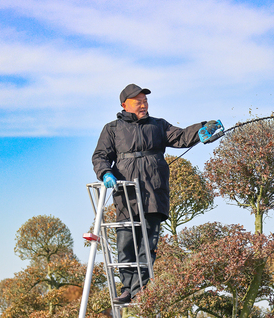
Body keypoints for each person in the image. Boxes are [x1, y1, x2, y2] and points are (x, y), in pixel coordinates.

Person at [92, 84, 221, 304]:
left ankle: (139, 289)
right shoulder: (112, 129)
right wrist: (105, 173)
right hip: (126, 194)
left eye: (145, 101)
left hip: (154, 191)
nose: (143, 105)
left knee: (148, 244)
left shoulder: (158, 125)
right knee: (125, 243)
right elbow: (100, 155)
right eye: (138, 102)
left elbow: (181, 137)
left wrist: (202, 129)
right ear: (124, 105)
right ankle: (127, 288)